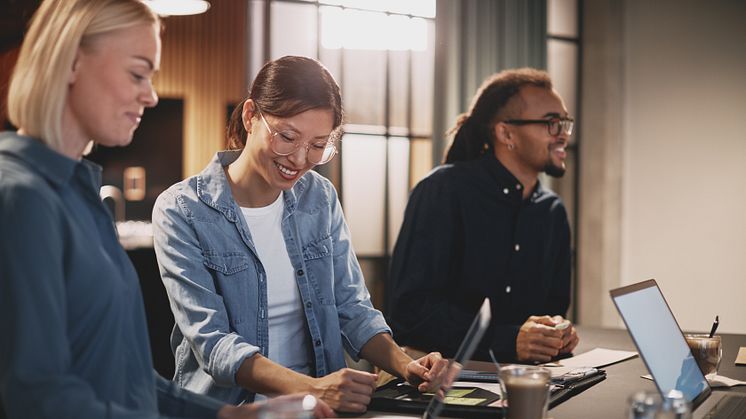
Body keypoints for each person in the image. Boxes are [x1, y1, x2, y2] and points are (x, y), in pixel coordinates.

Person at [0, 1, 332, 418]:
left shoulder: (81, 198)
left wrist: (227, 415)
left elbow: (129, 381)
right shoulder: (21, 197)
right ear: (70, 62)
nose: (151, 94)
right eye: (138, 73)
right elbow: (38, 400)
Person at [151, 55, 447, 413]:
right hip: (233, 410)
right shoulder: (182, 209)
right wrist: (313, 389)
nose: (299, 159)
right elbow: (212, 343)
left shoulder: (319, 198)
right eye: (287, 137)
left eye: (318, 145)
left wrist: (404, 365)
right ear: (250, 116)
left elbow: (351, 306)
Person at [386, 68, 580, 364]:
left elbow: (554, 309)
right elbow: (409, 311)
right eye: (552, 123)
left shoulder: (552, 212)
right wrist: (508, 340)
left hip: (525, 380)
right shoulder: (443, 191)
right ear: (506, 133)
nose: (563, 134)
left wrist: (556, 333)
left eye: (565, 123)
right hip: (437, 375)